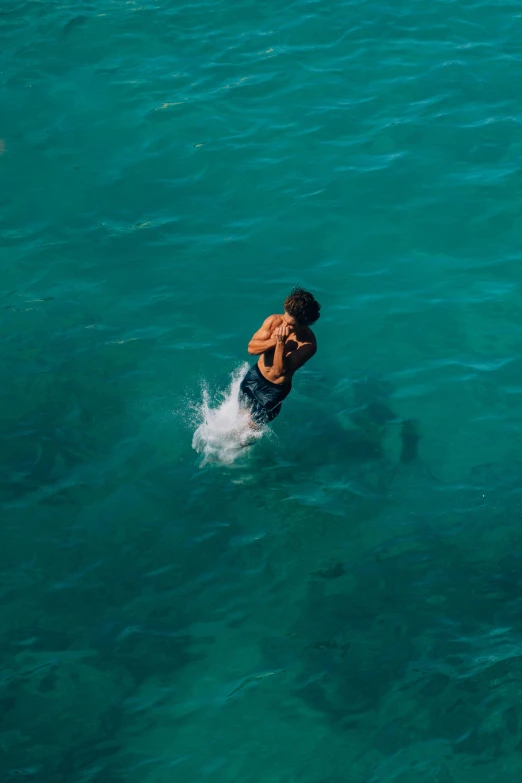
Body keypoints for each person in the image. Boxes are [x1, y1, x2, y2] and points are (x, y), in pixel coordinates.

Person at [239, 287, 320, 425]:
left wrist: (281, 343)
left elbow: (278, 372)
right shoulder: (274, 320)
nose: (285, 325)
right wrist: (275, 341)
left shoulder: (308, 345)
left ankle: (238, 446)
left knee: (251, 429)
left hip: (273, 391)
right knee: (240, 412)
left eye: (291, 324)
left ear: (303, 323)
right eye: (285, 318)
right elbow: (251, 349)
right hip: (255, 375)